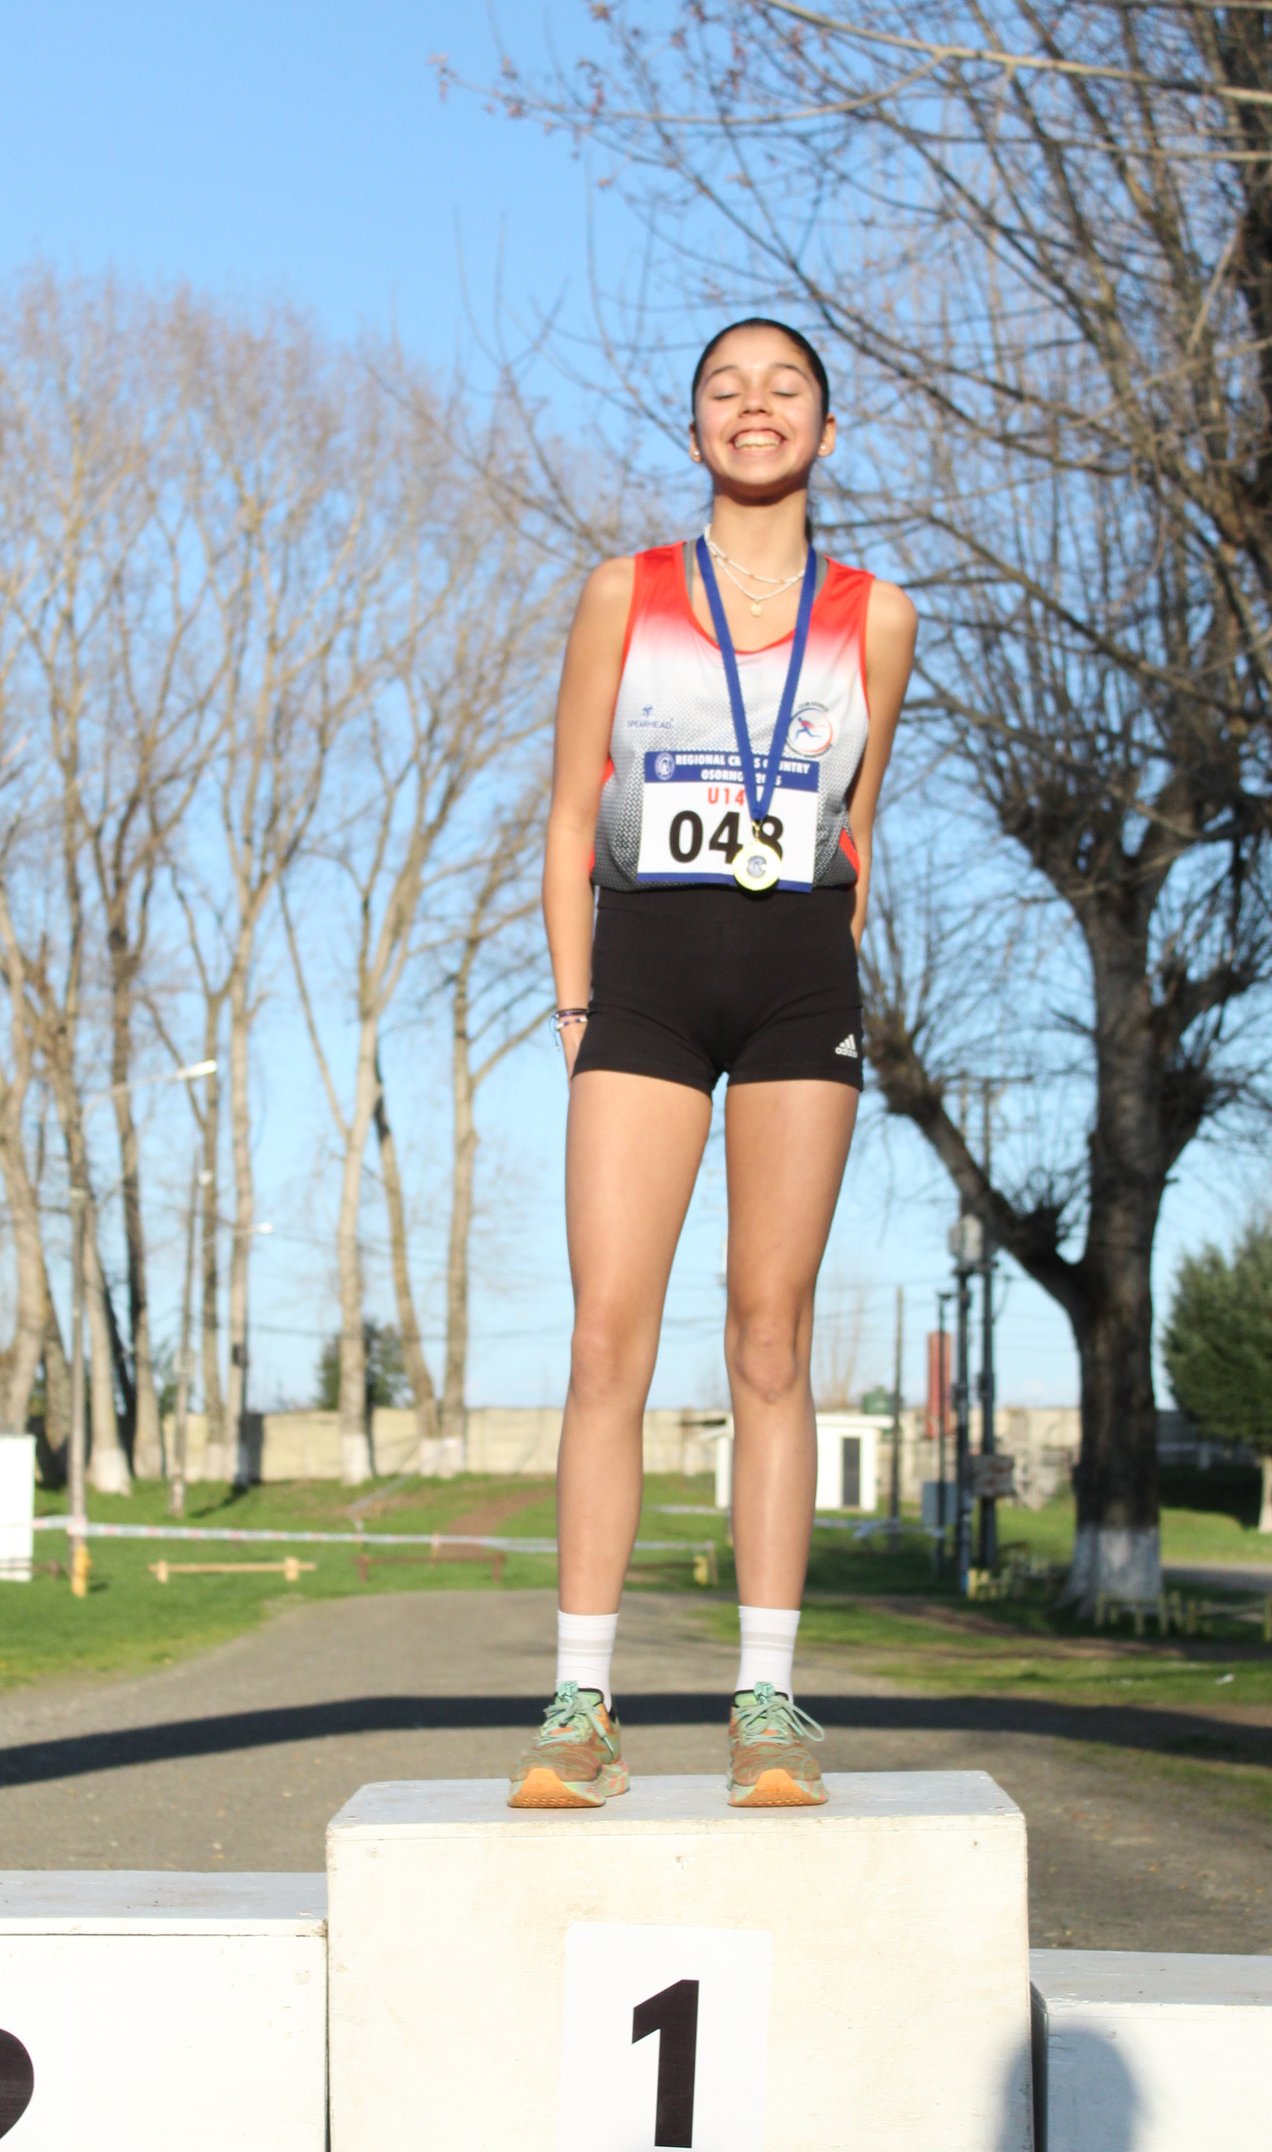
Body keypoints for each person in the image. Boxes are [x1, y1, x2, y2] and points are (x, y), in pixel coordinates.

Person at [509, 318, 917, 1811]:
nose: (756, 407)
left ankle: (768, 1703)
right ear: (695, 432)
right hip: (644, 994)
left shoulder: (879, 617)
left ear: (826, 428)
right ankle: (581, 1706)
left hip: (801, 988)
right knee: (606, 1341)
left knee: (770, 1338)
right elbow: (571, 815)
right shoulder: (625, 591)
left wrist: (824, 962)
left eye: (784, 388)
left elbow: (857, 827)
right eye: (726, 391)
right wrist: (578, 1013)